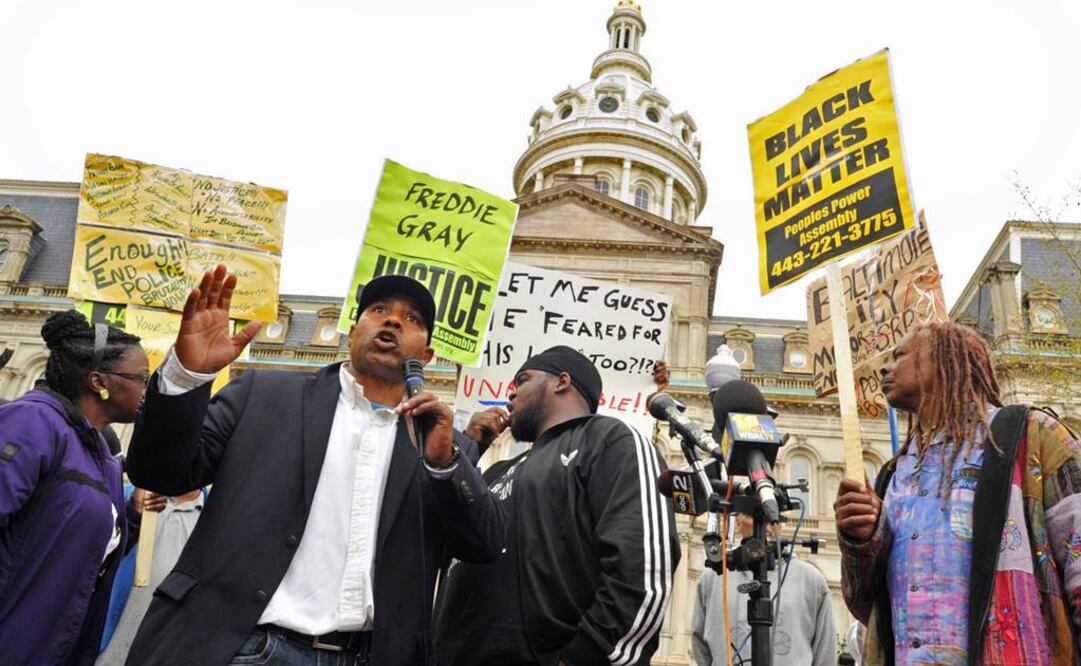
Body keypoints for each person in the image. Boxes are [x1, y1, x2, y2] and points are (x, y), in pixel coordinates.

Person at [124, 265, 503, 665]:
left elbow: (484, 543)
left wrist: (446, 465)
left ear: (426, 356)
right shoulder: (263, 394)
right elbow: (160, 473)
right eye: (378, 310)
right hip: (241, 646)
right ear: (352, 333)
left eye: (411, 318)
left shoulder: (442, 445)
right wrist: (186, 377)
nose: (392, 320)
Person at [834, 320, 1081, 664]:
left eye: (899, 355)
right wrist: (861, 541)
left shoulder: (1029, 435)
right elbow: (867, 609)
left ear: (945, 360)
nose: (885, 368)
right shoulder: (894, 475)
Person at [433, 346, 679, 665]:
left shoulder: (610, 440)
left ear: (562, 381)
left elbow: (644, 566)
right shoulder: (498, 470)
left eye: (522, 380)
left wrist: (583, 658)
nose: (510, 393)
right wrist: (470, 446)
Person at [0, 310, 149, 665]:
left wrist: (131, 517)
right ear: (99, 381)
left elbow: (78, 546)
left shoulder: (104, 457)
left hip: (54, 647)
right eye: (142, 378)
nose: (147, 390)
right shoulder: (31, 421)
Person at [690, 513, 836, 666]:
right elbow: (700, 646)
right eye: (754, 515)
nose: (765, 526)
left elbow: (825, 654)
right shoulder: (713, 578)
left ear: (781, 524)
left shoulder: (811, 580)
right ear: (738, 522)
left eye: (772, 519)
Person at [97, 488, 201, 664]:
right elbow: (91, 560)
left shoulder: (214, 517)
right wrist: (132, 514)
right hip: (105, 654)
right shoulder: (123, 496)